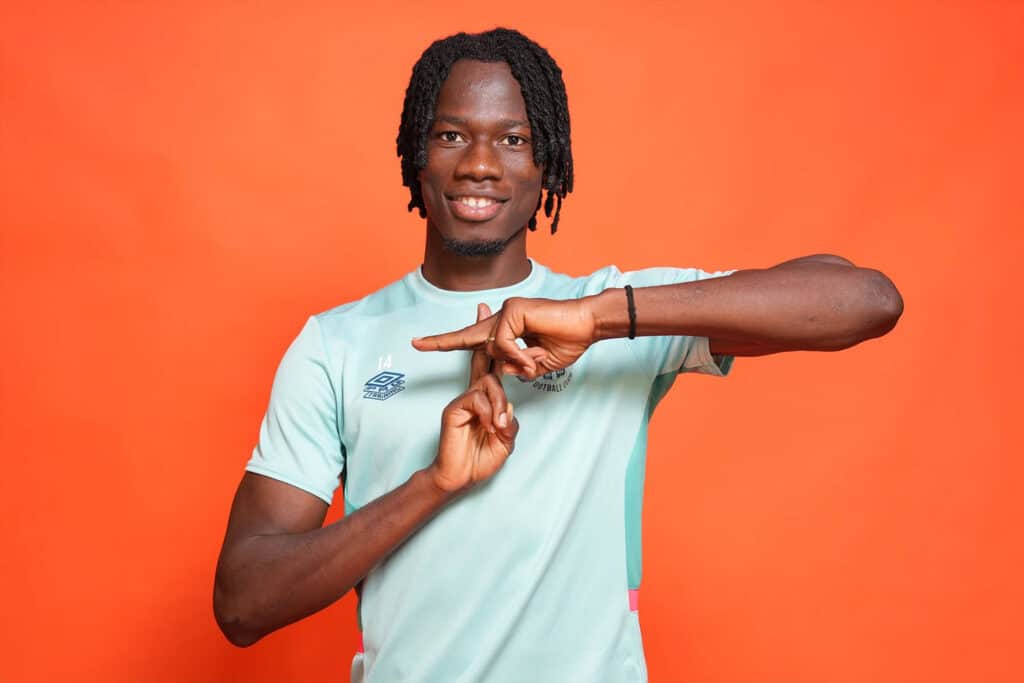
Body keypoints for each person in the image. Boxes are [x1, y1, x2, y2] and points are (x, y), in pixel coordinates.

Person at [213, 27, 903, 682]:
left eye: (514, 139)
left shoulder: (616, 313)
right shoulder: (336, 343)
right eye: (451, 135)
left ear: (550, 164)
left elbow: (865, 299)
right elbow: (243, 602)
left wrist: (601, 319)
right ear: (415, 154)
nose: (480, 163)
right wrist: (434, 484)